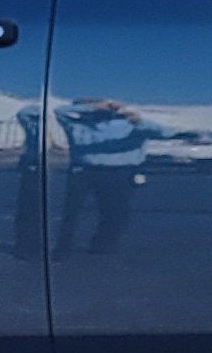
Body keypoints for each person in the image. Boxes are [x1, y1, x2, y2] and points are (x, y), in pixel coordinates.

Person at [61, 96, 151, 254]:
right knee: (71, 211)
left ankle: (103, 245)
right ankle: (62, 246)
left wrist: (135, 118)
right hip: (83, 171)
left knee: (115, 211)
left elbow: (159, 131)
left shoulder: (125, 123)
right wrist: (94, 107)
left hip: (118, 171)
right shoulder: (74, 125)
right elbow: (60, 111)